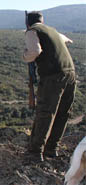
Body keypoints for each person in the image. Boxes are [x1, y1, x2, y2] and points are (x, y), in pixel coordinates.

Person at [23, 11, 76, 162]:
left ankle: (35, 152)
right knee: (62, 113)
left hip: (53, 76)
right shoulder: (53, 30)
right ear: (42, 20)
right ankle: (52, 149)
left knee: (46, 112)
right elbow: (67, 41)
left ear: (28, 23)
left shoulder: (32, 31)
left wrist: (25, 55)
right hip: (70, 73)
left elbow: (35, 51)